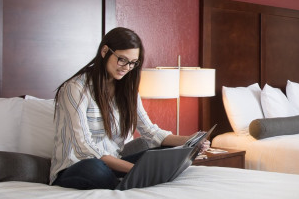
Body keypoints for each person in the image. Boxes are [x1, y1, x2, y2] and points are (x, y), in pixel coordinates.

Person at [50, 27, 207, 190]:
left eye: (133, 63)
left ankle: (132, 180)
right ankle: (135, 181)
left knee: (167, 151)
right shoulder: (75, 89)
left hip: (114, 167)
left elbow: (149, 131)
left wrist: (191, 141)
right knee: (96, 168)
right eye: (122, 59)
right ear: (105, 51)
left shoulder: (127, 90)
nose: (126, 67)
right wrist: (135, 169)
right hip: (77, 168)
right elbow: (84, 147)